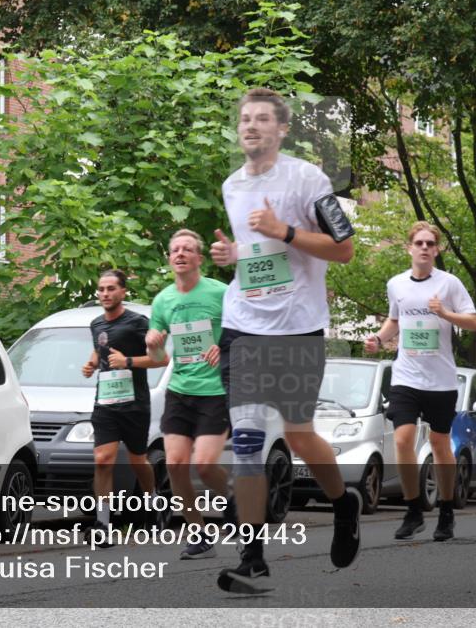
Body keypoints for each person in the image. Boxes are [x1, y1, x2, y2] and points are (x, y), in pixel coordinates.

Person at [210, 87, 360, 594]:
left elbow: (345, 251)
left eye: (262, 120)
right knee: (248, 440)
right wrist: (235, 257)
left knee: (298, 436)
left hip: (297, 326)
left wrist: (286, 231)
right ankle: (252, 558)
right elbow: (257, 251)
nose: (250, 126)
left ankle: (344, 503)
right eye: (245, 119)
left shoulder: (308, 179)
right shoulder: (231, 185)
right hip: (244, 326)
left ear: (281, 130)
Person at [364, 221, 476, 541]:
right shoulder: (396, 284)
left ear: (437, 249)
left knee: (441, 445)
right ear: (409, 248)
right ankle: (413, 508)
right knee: (402, 440)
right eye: (420, 243)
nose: (425, 248)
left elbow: (473, 322)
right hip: (406, 375)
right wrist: (378, 337)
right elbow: (394, 321)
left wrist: (445, 313)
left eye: (431, 243)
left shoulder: (450, 284)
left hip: (440, 379)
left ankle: (445, 510)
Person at [146, 229, 233, 560]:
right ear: (169, 258)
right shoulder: (163, 300)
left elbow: (247, 333)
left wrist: (223, 348)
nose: (180, 254)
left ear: (199, 258)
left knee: (206, 464)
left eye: (187, 249)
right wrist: (153, 346)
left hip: (215, 390)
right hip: (180, 391)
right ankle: (198, 531)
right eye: (174, 250)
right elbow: (159, 360)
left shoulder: (221, 293)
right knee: (176, 464)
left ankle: (236, 500)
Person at [81, 269, 168, 542]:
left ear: (122, 292)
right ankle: (103, 525)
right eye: (101, 289)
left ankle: (153, 501)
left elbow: (161, 359)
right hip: (105, 403)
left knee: (137, 461)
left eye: (110, 289)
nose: (105, 294)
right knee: (102, 459)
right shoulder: (96, 323)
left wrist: (128, 362)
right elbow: (101, 347)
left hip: (134, 404)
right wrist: (92, 363)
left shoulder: (138, 323)